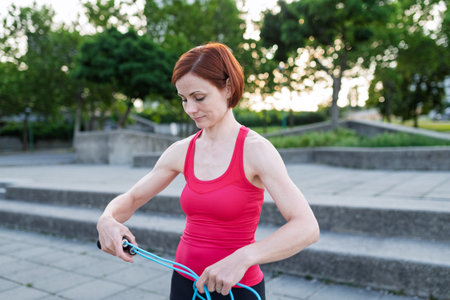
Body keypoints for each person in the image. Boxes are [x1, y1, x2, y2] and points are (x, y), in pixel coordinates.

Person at [97, 42, 320, 299]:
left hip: (238, 289)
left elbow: (307, 227)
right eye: (184, 99)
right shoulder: (181, 150)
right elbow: (132, 198)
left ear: (227, 87)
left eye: (199, 98)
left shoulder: (256, 150)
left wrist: (243, 257)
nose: (190, 109)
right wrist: (107, 219)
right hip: (183, 282)